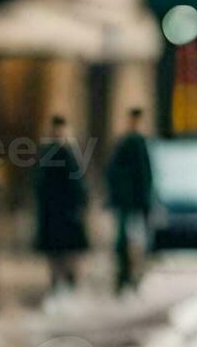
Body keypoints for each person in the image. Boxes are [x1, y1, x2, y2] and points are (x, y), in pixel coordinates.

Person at [33, 115, 90, 293]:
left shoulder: (64, 151)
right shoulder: (57, 151)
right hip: (57, 210)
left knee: (65, 250)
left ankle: (64, 280)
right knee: (59, 250)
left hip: (62, 210)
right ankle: (60, 281)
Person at [104, 108, 155, 292]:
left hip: (132, 203)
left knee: (131, 241)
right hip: (132, 204)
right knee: (132, 242)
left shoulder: (129, 143)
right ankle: (128, 277)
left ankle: (128, 277)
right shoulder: (131, 143)